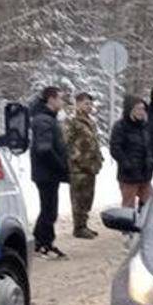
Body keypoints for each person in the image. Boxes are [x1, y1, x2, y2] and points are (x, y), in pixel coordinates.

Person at [25, 86, 68, 258]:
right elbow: (44, 149)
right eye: (60, 98)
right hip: (46, 172)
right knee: (49, 210)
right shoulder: (43, 120)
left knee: (49, 209)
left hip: (48, 172)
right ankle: (43, 244)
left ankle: (40, 241)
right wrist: (60, 166)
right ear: (51, 99)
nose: (62, 102)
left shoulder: (48, 119)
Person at [64, 91, 102, 239]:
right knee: (78, 198)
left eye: (90, 104)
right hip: (78, 167)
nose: (89, 106)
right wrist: (75, 157)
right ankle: (78, 227)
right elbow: (65, 142)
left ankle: (84, 225)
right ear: (78, 103)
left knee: (87, 198)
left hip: (90, 166)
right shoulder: (72, 121)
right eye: (86, 103)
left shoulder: (89, 121)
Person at [109, 94, 152, 208]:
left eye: (143, 109)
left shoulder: (144, 126)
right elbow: (115, 148)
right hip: (129, 176)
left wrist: (149, 159)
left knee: (151, 203)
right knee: (128, 208)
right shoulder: (120, 126)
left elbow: (147, 147)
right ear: (130, 110)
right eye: (138, 109)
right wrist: (126, 163)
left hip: (144, 174)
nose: (141, 112)